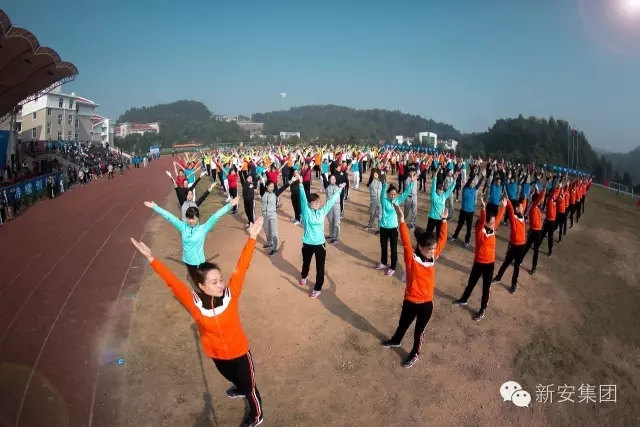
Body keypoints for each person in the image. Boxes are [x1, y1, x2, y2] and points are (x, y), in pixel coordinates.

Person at [129, 218, 265, 427]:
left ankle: (257, 415)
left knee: (250, 387)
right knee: (233, 378)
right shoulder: (194, 303)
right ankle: (239, 387)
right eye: (214, 282)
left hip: (239, 353)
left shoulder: (231, 293)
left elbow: (242, 265)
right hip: (216, 355)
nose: (220, 285)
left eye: (220, 279)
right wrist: (151, 258)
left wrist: (252, 238)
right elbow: (172, 282)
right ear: (201, 286)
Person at [381, 204, 448, 368]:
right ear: (420, 247)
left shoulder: (433, 257)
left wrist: (444, 221)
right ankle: (396, 340)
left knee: (419, 332)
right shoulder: (411, 260)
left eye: (434, 249)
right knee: (403, 324)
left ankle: (415, 353)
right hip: (411, 301)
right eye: (430, 249)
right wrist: (401, 220)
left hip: (426, 304)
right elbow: (405, 242)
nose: (433, 251)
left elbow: (442, 241)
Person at [144, 198, 238, 286]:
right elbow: (169, 217)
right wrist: (155, 207)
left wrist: (229, 206)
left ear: (198, 218)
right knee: (194, 278)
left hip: (198, 262)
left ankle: (205, 293)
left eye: (193, 218)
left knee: (203, 280)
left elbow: (215, 216)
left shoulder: (203, 229)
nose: (190, 221)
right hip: (187, 260)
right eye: (188, 218)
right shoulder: (182, 226)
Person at [453, 198, 506, 321]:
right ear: (485, 223)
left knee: (486, 288)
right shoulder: (480, 232)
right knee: (471, 283)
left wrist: (503, 206)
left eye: (494, 223)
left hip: (489, 265)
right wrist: (483, 209)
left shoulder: (493, 228)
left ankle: (482, 309)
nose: (494, 224)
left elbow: (498, 218)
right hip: (478, 263)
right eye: (491, 222)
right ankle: (464, 299)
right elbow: (482, 221)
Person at [297, 180, 345, 298]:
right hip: (307, 243)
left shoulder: (322, 211)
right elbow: (302, 198)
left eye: (318, 201)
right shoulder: (306, 212)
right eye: (314, 202)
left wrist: (339, 189)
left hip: (320, 244)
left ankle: (318, 288)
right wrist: (301, 184)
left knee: (320, 266)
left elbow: (331, 201)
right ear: (309, 203)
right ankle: (304, 276)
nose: (316, 203)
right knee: (306, 262)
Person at [376, 177, 414, 277]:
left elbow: (405, 193)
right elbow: (382, 193)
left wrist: (412, 183)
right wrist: (384, 184)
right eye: (391, 194)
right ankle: (383, 262)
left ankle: (393, 267)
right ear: (388, 194)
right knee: (383, 246)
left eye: (394, 194)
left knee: (393, 248)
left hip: (393, 228)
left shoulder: (397, 200)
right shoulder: (384, 200)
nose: (393, 196)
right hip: (384, 227)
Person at [492, 197, 527, 293]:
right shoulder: (513, 218)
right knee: (506, 263)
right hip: (514, 245)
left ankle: (514, 284)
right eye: (520, 207)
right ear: (516, 209)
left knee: (516, 266)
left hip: (521, 246)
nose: (523, 208)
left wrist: (524, 198)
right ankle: (498, 277)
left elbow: (523, 205)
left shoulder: (522, 216)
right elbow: (511, 211)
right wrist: (508, 201)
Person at [451, 173, 485, 247]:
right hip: (463, 212)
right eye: (471, 183)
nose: (473, 184)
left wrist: (482, 176)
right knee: (459, 225)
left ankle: (467, 241)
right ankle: (454, 236)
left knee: (469, 228)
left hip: (470, 213)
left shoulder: (474, 189)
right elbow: (469, 182)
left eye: (473, 183)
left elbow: (478, 184)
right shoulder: (465, 189)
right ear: (469, 183)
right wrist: (473, 175)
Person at [260, 178, 292, 256]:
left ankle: (275, 249)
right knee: (267, 230)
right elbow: (260, 183)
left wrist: (291, 181)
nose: (272, 188)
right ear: (266, 186)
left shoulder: (275, 194)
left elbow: (283, 188)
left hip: (272, 215)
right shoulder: (263, 192)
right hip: (264, 215)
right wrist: (260, 178)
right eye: (270, 186)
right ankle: (269, 243)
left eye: (273, 186)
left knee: (274, 232)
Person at [522, 186, 546, 275]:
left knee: (536, 250)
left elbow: (538, 197)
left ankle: (534, 267)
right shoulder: (533, 206)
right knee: (527, 247)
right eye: (539, 200)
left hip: (538, 231)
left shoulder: (536, 207)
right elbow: (539, 198)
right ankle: (520, 260)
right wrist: (543, 190)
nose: (541, 201)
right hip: (533, 231)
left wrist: (537, 190)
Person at [426, 171, 457, 237]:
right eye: (441, 189)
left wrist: (435, 176)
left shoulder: (435, 195)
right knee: (435, 234)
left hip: (435, 218)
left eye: (441, 189)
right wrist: (454, 180)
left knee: (430, 234)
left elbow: (434, 186)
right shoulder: (441, 196)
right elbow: (450, 189)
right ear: (439, 189)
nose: (441, 190)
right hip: (438, 218)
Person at [326, 174, 342, 244]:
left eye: (334, 179)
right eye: (331, 179)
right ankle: (331, 234)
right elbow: (328, 197)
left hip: (336, 206)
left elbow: (335, 197)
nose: (333, 180)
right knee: (331, 222)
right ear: (329, 180)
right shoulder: (328, 187)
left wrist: (340, 188)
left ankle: (336, 238)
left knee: (336, 223)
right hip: (329, 206)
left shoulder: (338, 187)